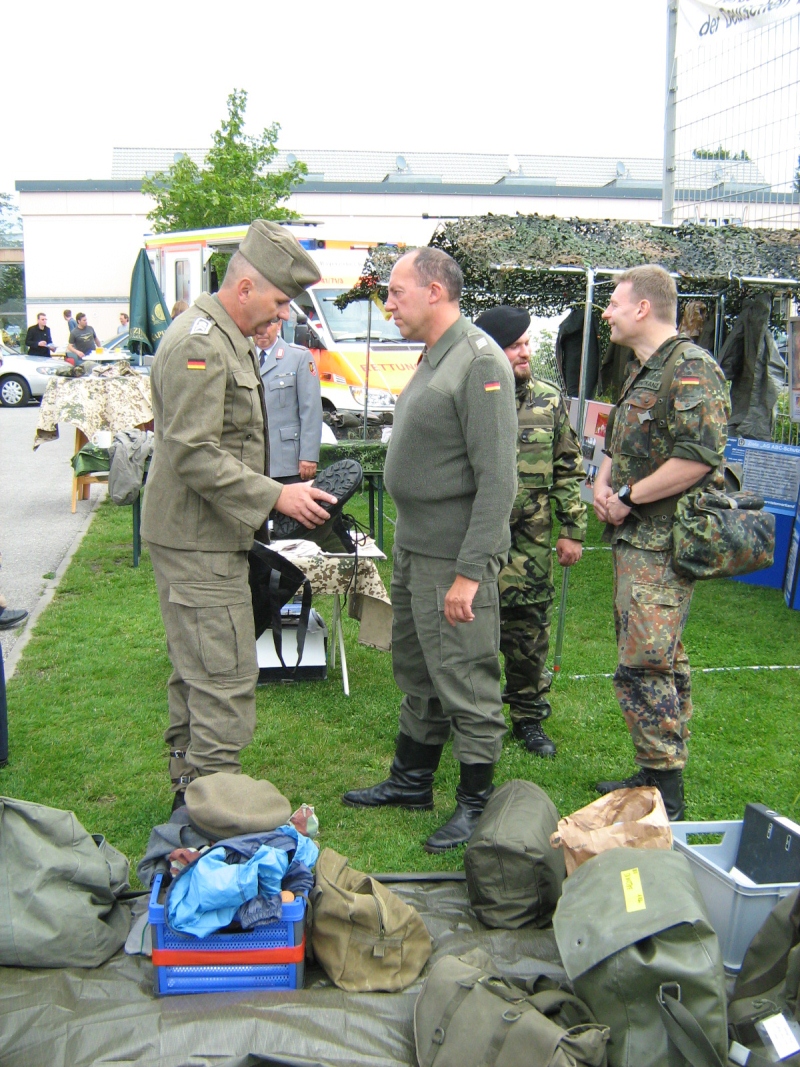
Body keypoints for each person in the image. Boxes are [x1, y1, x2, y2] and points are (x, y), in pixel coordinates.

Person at [141, 219, 337, 804]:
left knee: (198, 668)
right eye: (277, 302)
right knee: (223, 677)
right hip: (197, 539)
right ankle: (212, 810)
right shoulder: (202, 343)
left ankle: (189, 794)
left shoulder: (224, 337)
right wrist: (275, 494)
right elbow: (192, 451)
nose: (282, 315)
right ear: (246, 287)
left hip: (206, 532)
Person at [342, 248, 518, 853]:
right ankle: (411, 782)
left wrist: (471, 573)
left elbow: (498, 481)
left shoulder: (479, 361)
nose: (388, 303)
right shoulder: (435, 355)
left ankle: (476, 804)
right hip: (417, 548)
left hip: (453, 557)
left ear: (435, 291)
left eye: (397, 292)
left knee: (465, 677)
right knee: (420, 670)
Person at [592, 265, 729, 820]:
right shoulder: (642, 369)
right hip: (637, 540)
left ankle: (665, 791)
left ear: (643, 308)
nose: (606, 312)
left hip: (665, 543)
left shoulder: (691, 368)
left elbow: (698, 458)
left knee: (646, 660)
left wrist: (628, 496)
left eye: (614, 303)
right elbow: (617, 442)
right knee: (658, 654)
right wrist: (603, 483)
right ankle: (655, 770)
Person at [474, 306, 586, 757]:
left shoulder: (549, 400)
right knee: (472, 631)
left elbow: (568, 467)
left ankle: (528, 717)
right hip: (478, 541)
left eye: (526, 344)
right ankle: (473, 715)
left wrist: (572, 528)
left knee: (529, 632)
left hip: (531, 544)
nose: (525, 353)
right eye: (514, 345)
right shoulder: (472, 395)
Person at [255, 317, 322, 482]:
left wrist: (308, 455)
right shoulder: (241, 358)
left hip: (286, 461)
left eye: (269, 323)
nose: (262, 331)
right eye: (258, 324)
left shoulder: (298, 357)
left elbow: (311, 409)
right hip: (252, 462)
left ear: (279, 324)